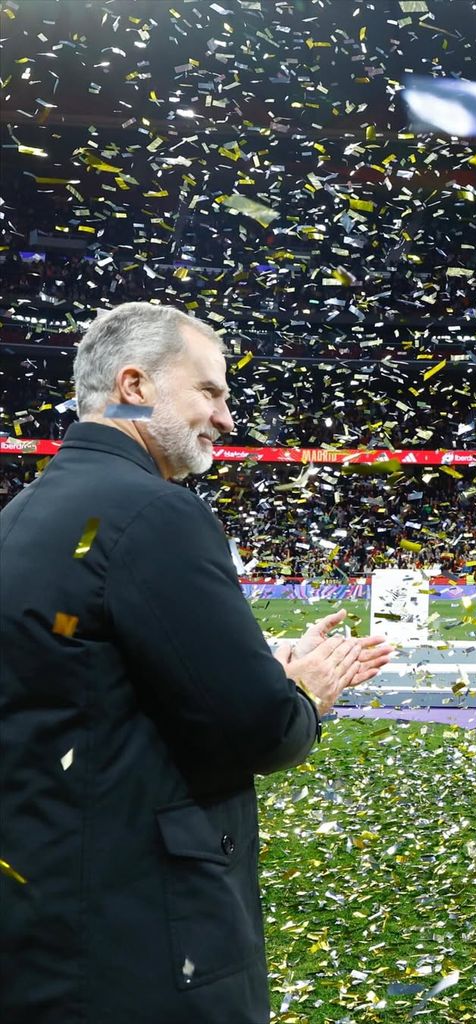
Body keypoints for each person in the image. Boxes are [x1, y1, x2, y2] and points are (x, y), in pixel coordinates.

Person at [0, 302, 392, 1024]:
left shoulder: (22, 513)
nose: (227, 416)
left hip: (40, 913)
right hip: (143, 933)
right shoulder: (157, 512)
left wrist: (258, 659)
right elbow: (259, 730)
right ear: (134, 385)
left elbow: (88, 677)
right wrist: (303, 689)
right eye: (209, 391)